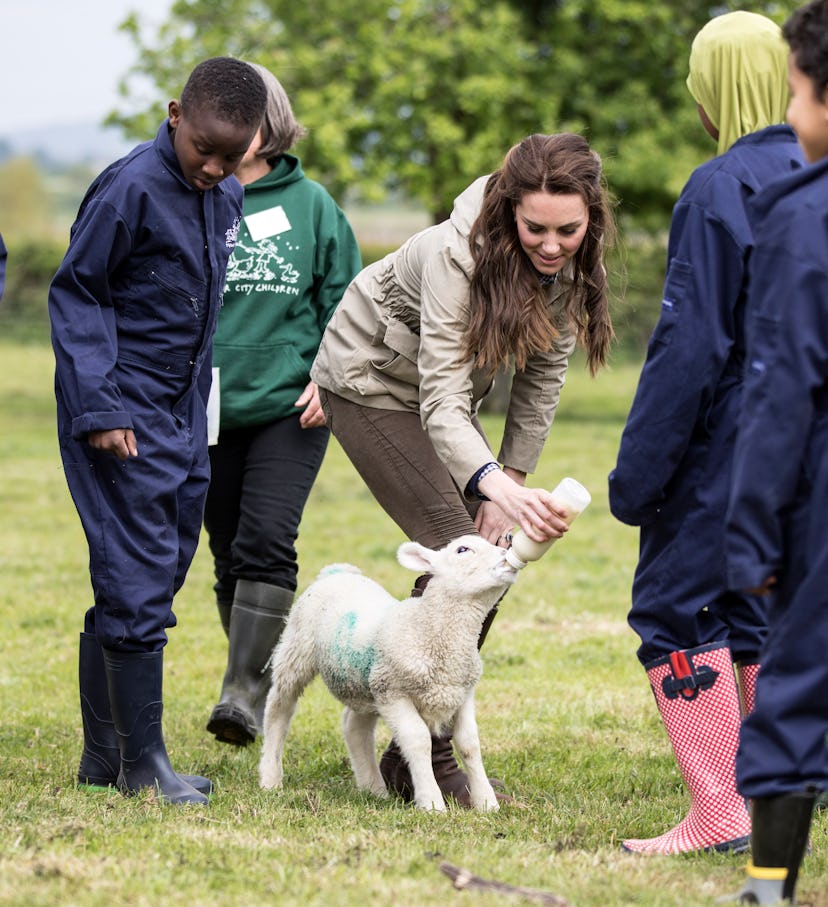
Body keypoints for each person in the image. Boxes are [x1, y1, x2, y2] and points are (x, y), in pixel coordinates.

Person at [311, 132, 616, 805]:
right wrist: (491, 487)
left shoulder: (568, 264)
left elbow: (543, 375)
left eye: (569, 229)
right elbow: (441, 397)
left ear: (591, 216)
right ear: (510, 210)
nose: (551, 244)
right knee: (463, 545)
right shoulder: (458, 255)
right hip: (366, 383)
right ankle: (424, 749)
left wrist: (512, 476)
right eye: (535, 227)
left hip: (436, 400)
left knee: (491, 556)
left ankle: (409, 738)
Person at [607, 11, 804, 854]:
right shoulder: (814, 171)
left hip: (727, 440)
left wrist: (639, 473)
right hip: (802, 440)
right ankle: (781, 786)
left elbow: (690, 347)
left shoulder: (720, 185)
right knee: (754, 610)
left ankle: (721, 809)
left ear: (713, 86)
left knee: (675, 609)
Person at [49, 58, 268, 806]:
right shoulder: (130, 186)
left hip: (184, 411)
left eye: (229, 156)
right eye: (202, 147)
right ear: (175, 114)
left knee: (158, 565)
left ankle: (103, 757)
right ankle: (144, 765)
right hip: (122, 405)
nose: (212, 166)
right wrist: (100, 406)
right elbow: (77, 293)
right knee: (137, 573)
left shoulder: (227, 195)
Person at [202, 63, 362, 747]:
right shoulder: (195, 195)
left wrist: (331, 377)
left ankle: (242, 690)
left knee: (267, 537)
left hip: (289, 408)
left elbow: (353, 306)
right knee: (227, 549)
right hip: (202, 407)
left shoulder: (314, 206)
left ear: (272, 121)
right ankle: (256, 675)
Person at [724, 1, 828, 902]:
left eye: (797, 92)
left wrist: (753, 536)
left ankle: (767, 888)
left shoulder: (805, 217)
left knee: (794, 685)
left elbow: (782, 391)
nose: (792, 116)